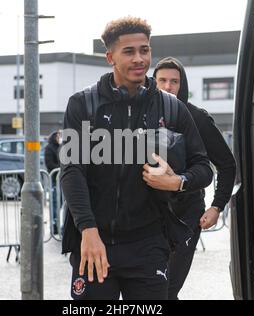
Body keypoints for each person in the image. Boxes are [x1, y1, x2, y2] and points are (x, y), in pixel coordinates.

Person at [60, 17, 213, 300]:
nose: (139, 58)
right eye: (129, 51)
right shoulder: (83, 104)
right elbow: (71, 171)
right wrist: (88, 231)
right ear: (110, 57)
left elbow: (204, 168)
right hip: (96, 242)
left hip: (149, 246)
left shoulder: (172, 107)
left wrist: (177, 182)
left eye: (145, 50)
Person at [152, 57, 236, 299]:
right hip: (149, 216)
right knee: (151, 290)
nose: (168, 87)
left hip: (187, 215)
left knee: (168, 290)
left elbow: (227, 165)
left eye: (174, 81)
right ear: (153, 82)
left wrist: (217, 206)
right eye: (162, 81)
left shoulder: (197, 118)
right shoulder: (142, 115)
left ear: (183, 84)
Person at [45, 130, 62, 234]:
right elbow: (50, 164)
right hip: (55, 179)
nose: (59, 138)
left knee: (60, 203)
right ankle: (54, 226)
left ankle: (59, 225)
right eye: (58, 136)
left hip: (61, 179)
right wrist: (62, 168)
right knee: (55, 203)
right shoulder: (49, 148)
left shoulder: (60, 147)